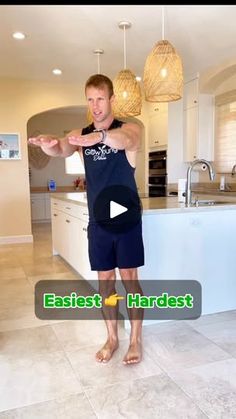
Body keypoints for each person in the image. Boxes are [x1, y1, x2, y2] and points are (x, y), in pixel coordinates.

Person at [28, 74, 144, 365]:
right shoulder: (82, 134)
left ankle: (135, 340)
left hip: (126, 220)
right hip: (99, 222)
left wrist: (100, 136)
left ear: (112, 100)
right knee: (105, 282)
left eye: (100, 99)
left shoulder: (128, 129)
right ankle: (112, 338)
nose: (95, 105)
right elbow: (62, 148)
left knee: (130, 280)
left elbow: (126, 139)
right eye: (90, 99)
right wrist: (48, 145)